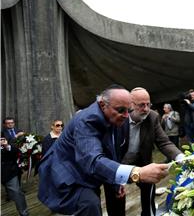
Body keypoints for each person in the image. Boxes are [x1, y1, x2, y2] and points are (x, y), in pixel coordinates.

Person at [37, 85, 170, 216]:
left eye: (128, 110)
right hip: (66, 173)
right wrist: (137, 172)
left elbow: (113, 153)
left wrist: (117, 182)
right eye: (120, 110)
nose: (125, 116)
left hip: (88, 176)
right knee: (90, 205)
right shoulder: (86, 120)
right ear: (102, 105)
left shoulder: (116, 119)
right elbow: (93, 160)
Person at [105, 87, 184, 216]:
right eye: (141, 105)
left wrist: (179, 156)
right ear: (130, 104)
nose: (146, 109)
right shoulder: (117, 117)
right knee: (116, 198)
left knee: (149, 187)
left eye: (148, 104)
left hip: (141, 162)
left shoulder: (153, 117)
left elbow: (163, 142)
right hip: (118, 164)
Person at [1, 137, 29, 216]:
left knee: (17, 192)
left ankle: (24, 213)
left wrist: (6, 146)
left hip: (8, 172)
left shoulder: (8, 146)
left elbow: (17, 153)